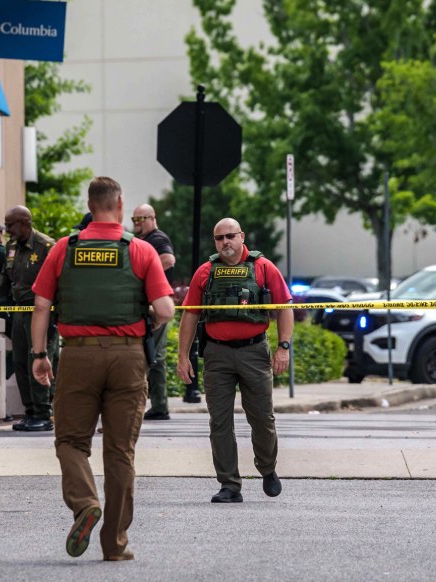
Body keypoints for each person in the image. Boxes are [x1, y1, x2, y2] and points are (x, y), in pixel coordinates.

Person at [30, 176, 175, 561]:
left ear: (91, 205)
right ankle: (114, 545)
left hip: (78, 355)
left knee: (71, 442)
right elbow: (165, 310)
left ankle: (84, 503)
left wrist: (39, 355)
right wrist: (144, 327)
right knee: (120, 453)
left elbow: (41, 306)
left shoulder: (64, 248)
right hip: (128, 359)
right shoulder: (140, 250)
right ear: (121, 205)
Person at [176, 218, 293, 504]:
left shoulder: (263, 268)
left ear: (242, 236)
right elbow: (190, 314)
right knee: (220, 422)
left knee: (262, 418)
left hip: (254, 352)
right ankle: (229, 484)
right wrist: (182, 357)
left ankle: (267, 469)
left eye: (230, 236)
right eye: (219, 238)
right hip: (217, 354)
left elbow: (285, 306)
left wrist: (283, 348)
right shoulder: (205, 272)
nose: (225, 242)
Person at [0, 205, 58, 432]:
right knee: (19, 362)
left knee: (35, 361)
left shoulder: (47, 247)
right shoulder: (11, 247)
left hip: (41, 313)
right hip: (20, 311)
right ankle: (30, 412)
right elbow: (4, 281)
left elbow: (60, 283)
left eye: (11, 225)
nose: (7, 229)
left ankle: (43, 413)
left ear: (25, 222)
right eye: (6, 225)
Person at [131, 203, 177, 420]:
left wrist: (144, 272)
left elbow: (168, 259)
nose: (136, 224)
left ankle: (145, 405)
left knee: (147, 356)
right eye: (134, 220)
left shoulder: (158, 238)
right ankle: (159, 405)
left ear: (151, 218)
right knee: (155, 357)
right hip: (154, 304)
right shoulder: (144, 240)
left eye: (139, 220)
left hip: (155, 306)